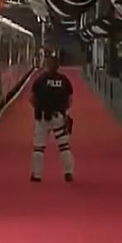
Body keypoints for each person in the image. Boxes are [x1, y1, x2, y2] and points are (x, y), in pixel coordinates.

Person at [30, 52, 74, 183]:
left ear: (47, 65)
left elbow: (32, 98)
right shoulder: (64, 80)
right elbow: (70, 99)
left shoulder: (40, 80)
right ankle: (68, 173)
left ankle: (37, 175)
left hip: (42, 117)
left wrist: (38, 108)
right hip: (59, 117)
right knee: (64, 146)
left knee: (39, 147)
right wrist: (63, 110)